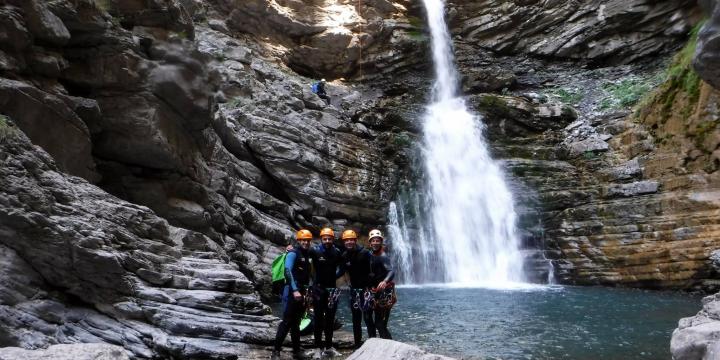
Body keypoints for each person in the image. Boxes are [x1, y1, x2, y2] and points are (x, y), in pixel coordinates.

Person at [272, 229, 313, 360]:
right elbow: (287, 270)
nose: (306, 242)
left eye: (308, 240)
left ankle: (296, 351)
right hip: (291, 291)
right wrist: (295, 290)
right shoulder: (293, 253)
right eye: (303, 240)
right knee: (287, 322)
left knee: (296, 323)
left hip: (302, 291)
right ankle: (275, 352)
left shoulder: (306, 254)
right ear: (299, 240)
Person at [307, 227, 344, 359]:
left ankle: (328, 347)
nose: (327, 240)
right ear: (322, 239)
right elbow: (302, 253)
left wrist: (335, 276)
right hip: (318, 289)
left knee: (330, 319)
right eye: (325, 239)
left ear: (332, 239)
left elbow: (343, 266)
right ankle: (317, 348)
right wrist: (291, 248)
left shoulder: (337, 251)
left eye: (329, 238)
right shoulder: (315, 250)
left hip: (332, 290)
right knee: (317, 318)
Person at [339, 229, 375, 349]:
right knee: (356, 319)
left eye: (351, 240)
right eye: (347, 240)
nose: (349, 242)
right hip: (354, 291)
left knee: (368, 317)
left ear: (355, 240)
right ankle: (357, 344)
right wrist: (325, 280)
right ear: (344, 242)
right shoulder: (344, 255)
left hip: (366, 291)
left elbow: (374, 268)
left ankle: (373, 343)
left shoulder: (365, 253)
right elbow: (341, 271)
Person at [368, 229, 396, 339]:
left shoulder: (383, 256)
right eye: (373, 241)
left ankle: (389, 346)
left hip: (384, 293)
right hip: (375, 292)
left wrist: (385, 281)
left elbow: (391, 271)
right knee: (377, 322)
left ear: (381, 242)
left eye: (377, 241)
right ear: (370, 243)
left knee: (380, 323)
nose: (375, 243)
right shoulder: (370, 254)